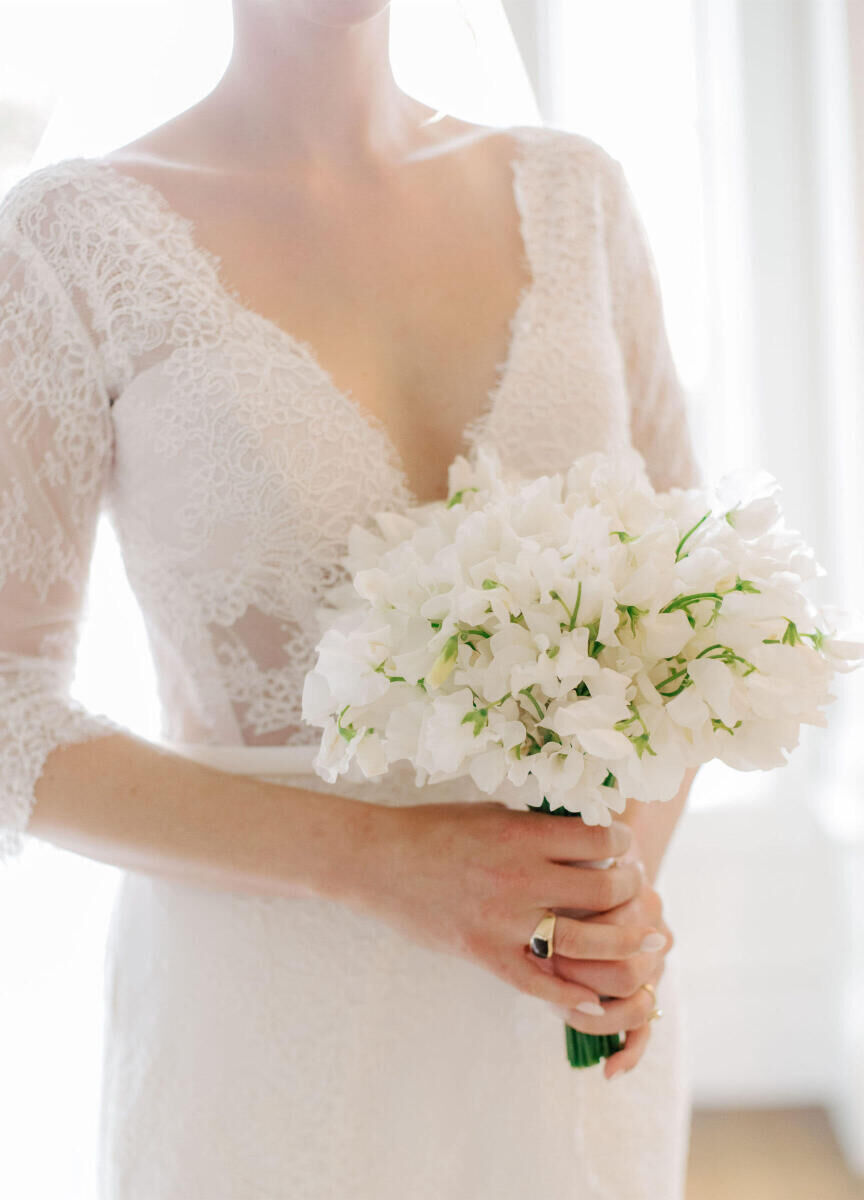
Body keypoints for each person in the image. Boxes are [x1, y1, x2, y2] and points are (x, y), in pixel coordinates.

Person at [0, 1, 701, 1196]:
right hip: (265, 1027)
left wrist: (611, 903)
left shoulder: (576, 195)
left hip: (558, 1014)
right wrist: (383, 862)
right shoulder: (65, 238)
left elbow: (693, 606)